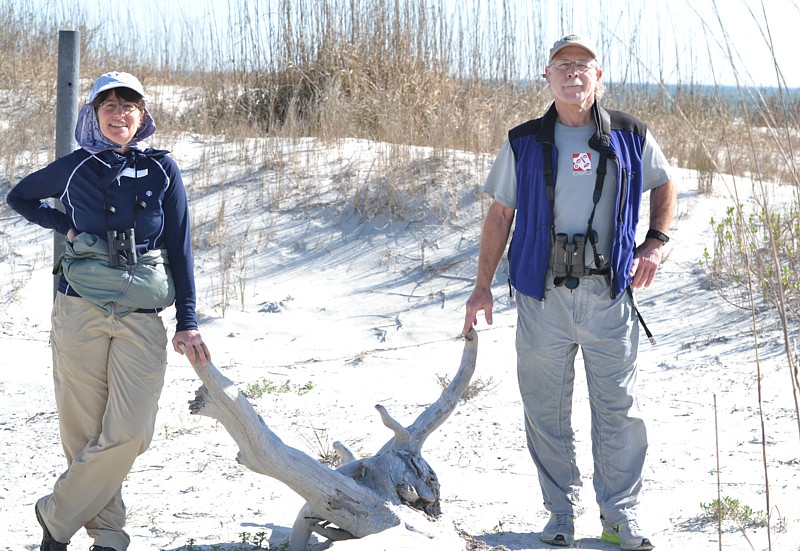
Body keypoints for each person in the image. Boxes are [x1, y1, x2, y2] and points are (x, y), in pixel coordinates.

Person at [462, 34, 676, 550]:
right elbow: (499, 215)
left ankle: (620, 517)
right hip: (543, 296)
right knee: (545, 411)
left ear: (599, 77)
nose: (573, 73)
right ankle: (560, 514)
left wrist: (655, 242)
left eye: (583, 65)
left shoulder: (631, 134)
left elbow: (665, 182)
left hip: (609, 296)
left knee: (618, 409)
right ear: (547, 76)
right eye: (563, 65)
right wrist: (481, 288)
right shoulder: (524, 140)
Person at [7, 71, 210, 551]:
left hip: (142, 315)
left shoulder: (163, 169)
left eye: (129, 106)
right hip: (79, 309)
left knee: (132, 431)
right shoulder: (77, 166)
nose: (119, 115)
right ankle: (110, 537)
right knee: (84, 431)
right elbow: (20, 196)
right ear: (93, 115)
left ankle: (55, 513)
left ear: (142, 116)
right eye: (109, 106)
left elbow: (180, 247)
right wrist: (67, 228)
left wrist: (188, 320)